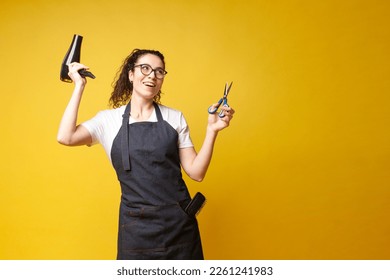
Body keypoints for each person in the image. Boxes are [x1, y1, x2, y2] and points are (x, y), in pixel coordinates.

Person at [57, 49, 235, 260]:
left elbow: (196, 173)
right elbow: (66, 137)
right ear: (131, 74)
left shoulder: (174, 117)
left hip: (179, 226)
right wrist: (79, 86)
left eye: (159, 71)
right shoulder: (108, 121)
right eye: (145, 68)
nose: (152, 75)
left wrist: (211, 131)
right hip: (135, 230)